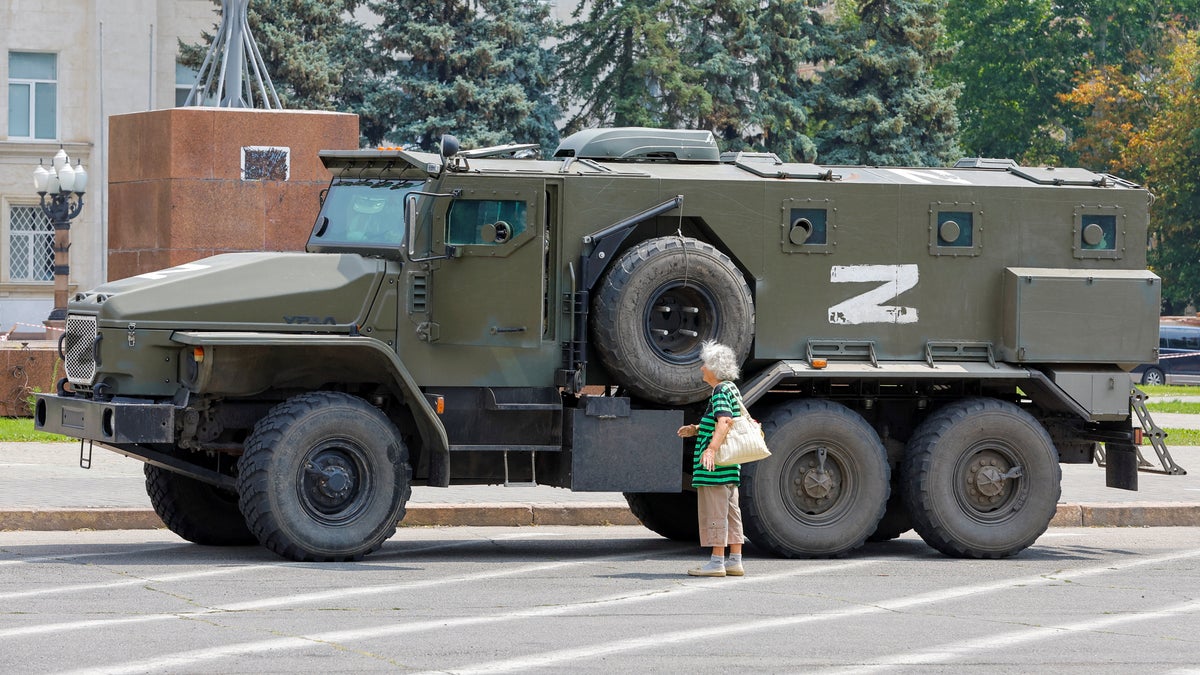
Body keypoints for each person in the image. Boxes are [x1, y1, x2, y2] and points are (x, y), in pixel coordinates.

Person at [677, 341, 745, 577]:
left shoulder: (719, 391)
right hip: (730, 465)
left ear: (714, 367)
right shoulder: (731, 389)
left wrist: (710, 450)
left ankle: (717, 562)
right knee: (730, 512)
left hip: (715, 467)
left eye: (704, 364)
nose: (701, 369)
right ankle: (735, 560)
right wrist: (695, 429)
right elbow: (725, 420)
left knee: (715, 513)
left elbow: (724, 421)